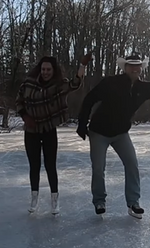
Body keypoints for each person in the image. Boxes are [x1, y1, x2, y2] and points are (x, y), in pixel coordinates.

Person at [76, 50, 150, 218]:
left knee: (132, 164)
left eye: (137, 66)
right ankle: (99, 201)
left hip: (120, 134)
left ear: (141, 68)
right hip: (99, 132)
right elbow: (89, 99)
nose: (135, 69)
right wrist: (82, 124)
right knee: (98, 168)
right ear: (125, 67)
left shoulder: (143, 88)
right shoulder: (110, 83)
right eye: (131, 66)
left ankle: (133, 202)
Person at [16, 53, 92, 214]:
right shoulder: (29, 84)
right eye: (43, 69)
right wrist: (25, 116)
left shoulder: (58, 85)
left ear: (53, 70)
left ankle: (54, 199)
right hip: (31, 131)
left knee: (51, 166)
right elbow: (19, 101)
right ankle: (34, 198)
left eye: (48, 69)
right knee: (34, 166)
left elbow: (75, 84)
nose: (45, 72)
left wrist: (82, 66)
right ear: (39, 69)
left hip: (49, 129)